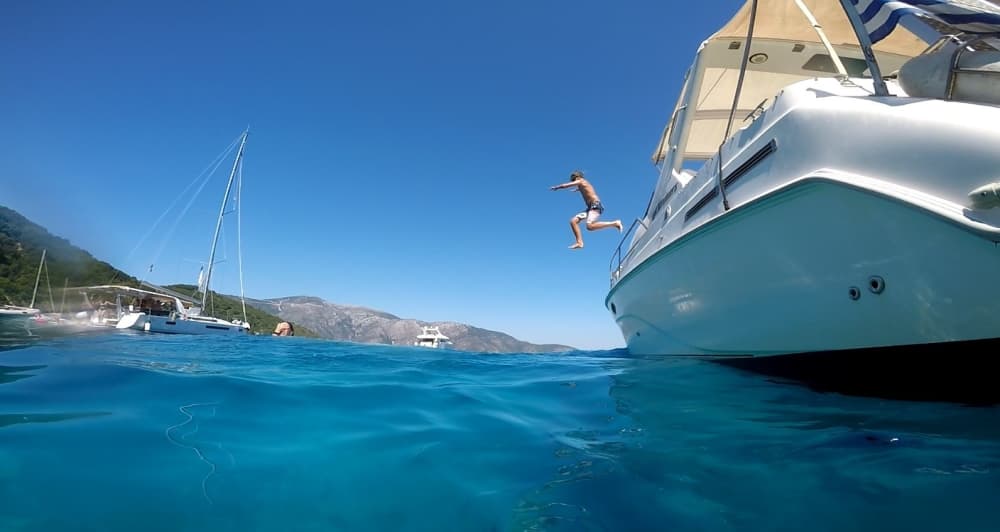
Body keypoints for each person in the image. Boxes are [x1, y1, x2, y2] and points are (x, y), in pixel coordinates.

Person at [550, 170, 623, 249]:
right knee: (573, 221)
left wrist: (557, 187)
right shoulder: (583, 184)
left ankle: (615, 223)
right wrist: (578, 189)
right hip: (589, 208)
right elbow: (587, 188)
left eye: (574, 180)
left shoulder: (581, 181)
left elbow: (566, 185)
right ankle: (579, 243)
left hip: (596, 205)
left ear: (577, 177)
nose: (574, 182)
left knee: (589, 226)